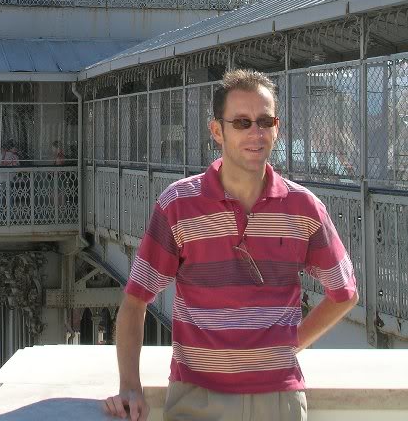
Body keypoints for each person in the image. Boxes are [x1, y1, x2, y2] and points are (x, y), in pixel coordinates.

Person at [104, 69, 358, 421]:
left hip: (279, 400)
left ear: (277, 127)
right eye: (241, 122)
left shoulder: (304, 208)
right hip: (197, 399)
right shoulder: (178, 205)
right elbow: (135, 300)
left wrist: (290, 344)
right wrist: (129, 385)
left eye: (264, 121)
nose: (255, 133)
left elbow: (344, 292)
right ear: (216, 131)